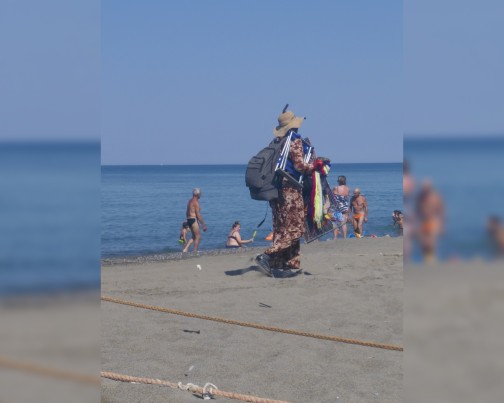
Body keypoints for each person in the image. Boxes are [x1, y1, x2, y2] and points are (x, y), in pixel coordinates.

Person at [255, 108, 327, 277]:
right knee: (296, 228)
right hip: (291, 189)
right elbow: (299, 166)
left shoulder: (277, 141)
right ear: (295, 125)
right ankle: (267, 256)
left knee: (282, 228)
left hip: (276, 189)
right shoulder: (295, 141)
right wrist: (316, 166)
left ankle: (285, 264)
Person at [415, 180, 444, 263]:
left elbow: (441, 210)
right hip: (422, 221)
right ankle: (426, 258)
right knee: (423, 242)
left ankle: (432, 259)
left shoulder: (436, 197)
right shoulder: (420, 197)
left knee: (431, 241)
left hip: (433, 220)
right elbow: (417, 210)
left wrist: (441, 224)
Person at [185, 188, 207, 253]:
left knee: (194, 236)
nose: (201, 195)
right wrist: (203, 225)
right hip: (193, 219)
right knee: (198, 236)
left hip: (189, 219)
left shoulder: (189, 201)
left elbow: (187, 212)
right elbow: (198, 215)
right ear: (197, 194)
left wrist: (188, 220)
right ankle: (195, 251)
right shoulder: (196, 202)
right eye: (200, 194)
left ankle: (185, 249)